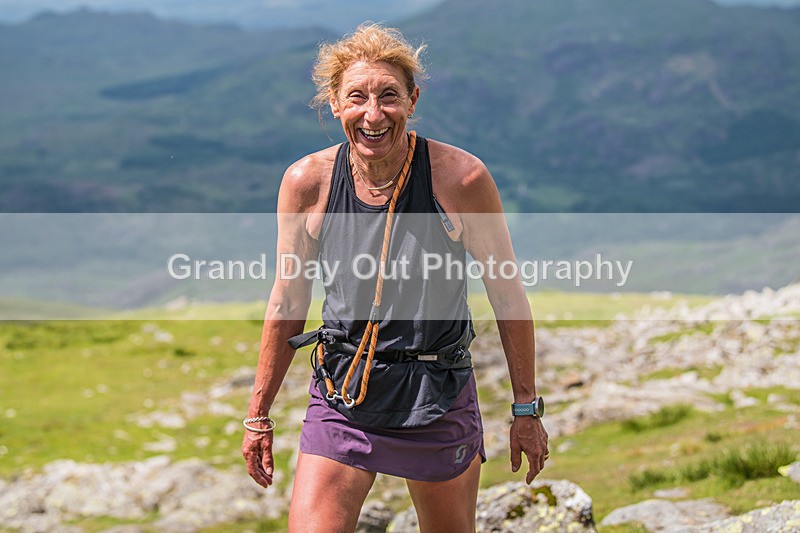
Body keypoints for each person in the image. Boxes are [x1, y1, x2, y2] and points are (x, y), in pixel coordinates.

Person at [242, 23, 548, 532]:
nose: (373, 113)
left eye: (389, 96)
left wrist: (526, 409)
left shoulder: (461, 179)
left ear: (413, 100)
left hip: (437, 390)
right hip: (344, 391)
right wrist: (258, 414)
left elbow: (507, 296)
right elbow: (286, 302)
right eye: (356, 97)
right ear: (335, 105)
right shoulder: (308, 183)